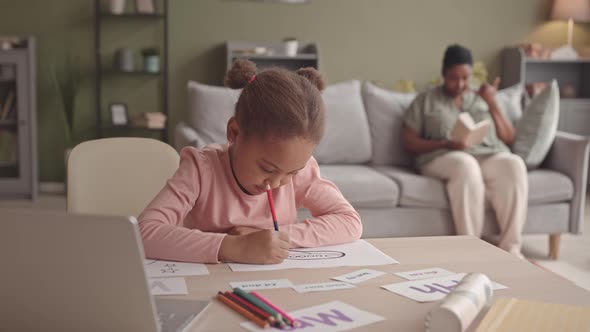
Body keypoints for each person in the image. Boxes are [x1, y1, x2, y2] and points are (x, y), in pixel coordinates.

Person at [138, 59, 362, 264]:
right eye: (267, 168)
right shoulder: (201, 169)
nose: (275, 184)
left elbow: (349, 221)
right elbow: (144, 233)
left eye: (291, 173)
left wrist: (280, 238)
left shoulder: (302, 172)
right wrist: (232, 246)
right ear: (234, 132)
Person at [402, 44, 528, 257]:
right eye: (454, 78)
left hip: (487, 154)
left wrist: (493, 103)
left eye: (465, 78)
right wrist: (445, 144)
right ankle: (472, 250)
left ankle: (511, 250)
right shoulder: (426, 100)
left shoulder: (483, 98)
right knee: (465, 164)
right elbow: (409, 142)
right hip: (444, 156)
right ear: (443, 74)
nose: (460, 84)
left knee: (514, 163)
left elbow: (508, 137)